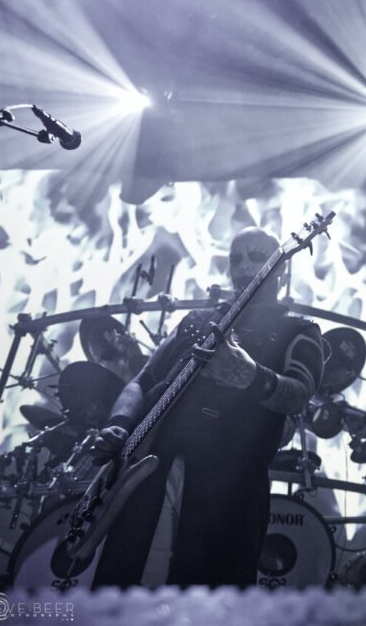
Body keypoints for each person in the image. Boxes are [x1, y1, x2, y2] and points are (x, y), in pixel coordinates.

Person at [90, 227, 324, 587]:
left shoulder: (300, 331)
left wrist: (252, 377)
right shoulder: (195, 321)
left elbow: (299, 394)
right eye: (236, 258)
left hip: (229, 491)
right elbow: (141, 381)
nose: (244, 266)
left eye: (257, 256)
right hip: (149, 476)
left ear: (281, 267)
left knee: (208, 600)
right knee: (124, 593)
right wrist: (119, 423)